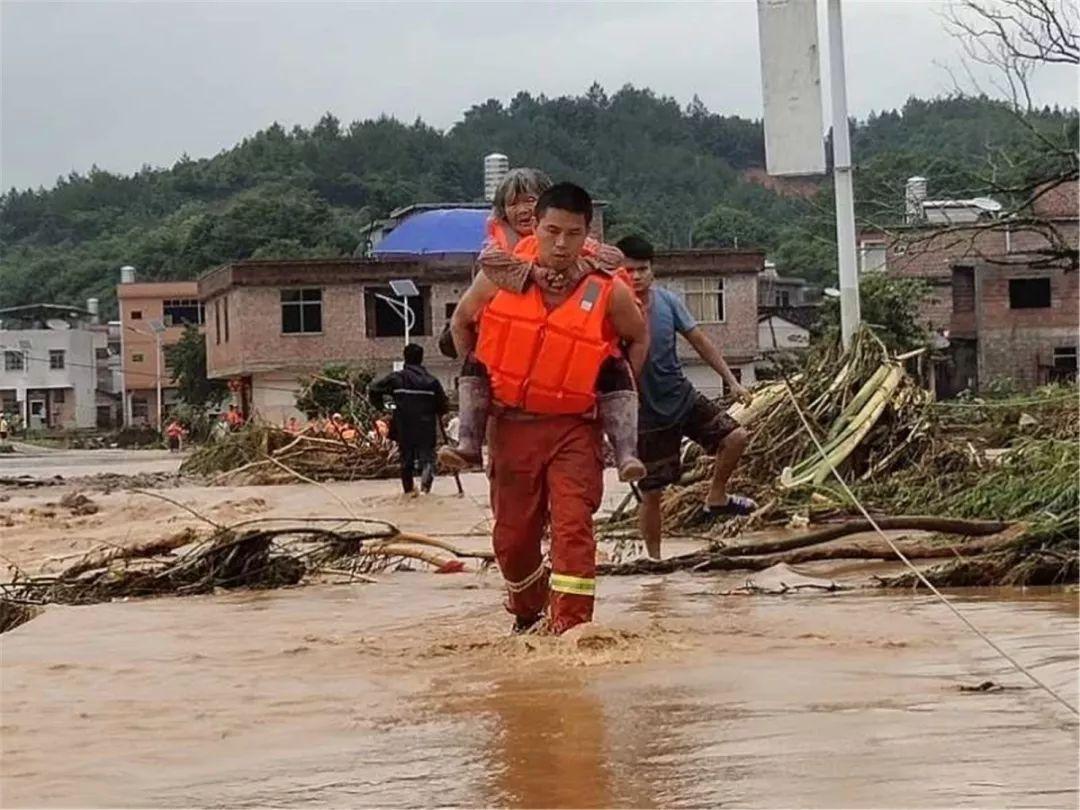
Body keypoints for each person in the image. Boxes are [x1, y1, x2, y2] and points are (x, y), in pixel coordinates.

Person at [451, 183, 648, 635]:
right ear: (534, 227)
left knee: (573, 529)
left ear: (588, 234)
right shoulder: (499, 276)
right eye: (552, 231)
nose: (561, 244)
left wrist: (619, 390)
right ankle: (527, 610)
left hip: (574, 430)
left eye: (573, 234)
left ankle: (573, 631)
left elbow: (637, 336)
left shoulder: (607, 290)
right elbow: (462, 321)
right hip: (512, 426)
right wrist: (479, 380)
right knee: (513, 539)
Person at [439, 168, 645, 482]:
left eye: (529, 200)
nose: (521, 209)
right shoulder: (496, 256)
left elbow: (616, 275)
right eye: (513, 203)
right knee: (514, 523)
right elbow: (464, 318)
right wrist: (533, 272)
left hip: (572, 411)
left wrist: (577, 268)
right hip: (509, 400)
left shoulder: (587, 252)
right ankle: (468, 442)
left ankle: (624, 448)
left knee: (572, 522)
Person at [615, 234, 756, 562]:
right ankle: (655, 560)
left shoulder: (668, 302)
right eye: (629, 270)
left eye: (642, 269)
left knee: (736, 437)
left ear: (653, 271)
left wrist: (731, 381)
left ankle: (717, 496)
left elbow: (700, 341)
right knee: (651, 494)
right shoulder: (612, 308)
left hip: (680, 395)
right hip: (643, 412)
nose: (635, 277)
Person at [369, 344, 449, 496]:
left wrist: (383, 407)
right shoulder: (431, 382)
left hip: (404, 427)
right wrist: (435, 408)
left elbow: (373, 388)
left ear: (405, 357)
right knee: (428, 460)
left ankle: (408, 492)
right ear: (421, 358)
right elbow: (443, 406)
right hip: (426, 428)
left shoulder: (396, 378)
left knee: (406, 461)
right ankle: (425, 492)